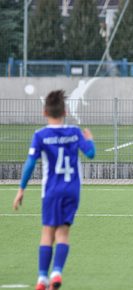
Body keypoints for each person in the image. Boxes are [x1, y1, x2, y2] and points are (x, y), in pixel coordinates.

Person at [13, 90, 96, 290]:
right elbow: (91, 153)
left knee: (47, 233)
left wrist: (21, 189)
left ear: (44, 112)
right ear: (65, 111)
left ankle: (42, 278)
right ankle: (57, 272)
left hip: (51, 191)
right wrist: (90, 138)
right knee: (63, 234)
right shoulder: (75, 132)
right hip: (72, 191)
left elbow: (31, 163)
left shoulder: (40, 135)